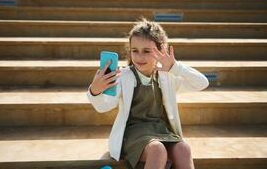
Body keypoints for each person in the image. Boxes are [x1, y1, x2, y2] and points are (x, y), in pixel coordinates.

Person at [86, 18, 209, 169]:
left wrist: (175, 67)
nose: (139, 56)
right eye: (134, 51)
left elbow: (202, 83)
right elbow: (103, 107)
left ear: (161, 51)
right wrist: (95, 90)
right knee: (157, 151)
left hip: (162, 130)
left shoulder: (167, 76)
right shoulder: (123, 76)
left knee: (184, 149)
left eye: (146, 51)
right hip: (134, 134)